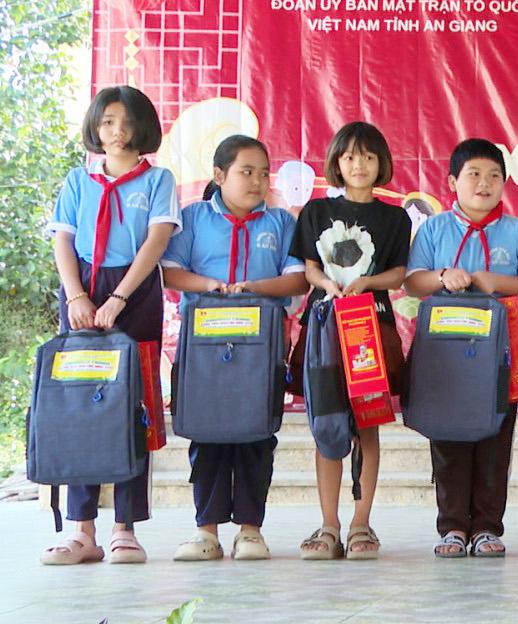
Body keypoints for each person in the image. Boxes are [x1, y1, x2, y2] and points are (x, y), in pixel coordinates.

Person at [41, 85, 180, 566]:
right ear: (95, 127)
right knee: (79, 406)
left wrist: (120, 298)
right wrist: (76, 296)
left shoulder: (157, 180)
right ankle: (82, 530)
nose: (117, 131)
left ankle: (125, 528)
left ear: (144, 127)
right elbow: (63, 240)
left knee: (132, 408)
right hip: (82, 289)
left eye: (127, 122)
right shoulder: (77, 181)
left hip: (135, 292)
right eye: (107, 122)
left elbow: (156, 240)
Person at [161, 135, 308, 562]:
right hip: (203, 344)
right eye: (246, 172)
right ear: (219, 175)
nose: (257, 182)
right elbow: (170, 271)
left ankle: (250, 530)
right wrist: (211, 285)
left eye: (263, 173)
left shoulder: (280, 223)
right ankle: (205, 531)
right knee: (205, 432)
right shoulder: (192, 218)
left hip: (261, 345)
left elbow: (298, 279)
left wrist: (254, 287)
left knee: (256, 434)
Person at [404, 138, 518, 559]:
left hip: (499, 351)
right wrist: (442, 276)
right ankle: (452, 527)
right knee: (446, 434)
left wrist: (495, 281)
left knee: (496, 437)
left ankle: (487, 527)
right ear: (453, 182)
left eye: (494, 176)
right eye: (474, 175)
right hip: (446, 352)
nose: (484, 183)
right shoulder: (433, 229)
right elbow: (412, 281)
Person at [290, 121, 411, 561]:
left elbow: (398, 274)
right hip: (324, 329)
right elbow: (308, 267)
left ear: (382, 164)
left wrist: (367, 283)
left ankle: (361, 523)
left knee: (368, 422)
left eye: (368, 157)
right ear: (336, 163)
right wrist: (327, 284)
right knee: (327, 424)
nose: (359, 165)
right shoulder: (316, 211)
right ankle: (329, 525)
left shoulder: (395, 218)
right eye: (350, 156)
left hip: (371, 329)